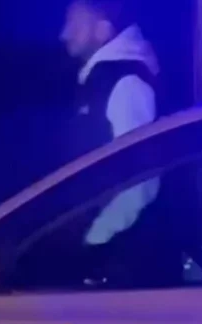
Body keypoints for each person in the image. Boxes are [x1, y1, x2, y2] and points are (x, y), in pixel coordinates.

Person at [60, 0, 161, 247]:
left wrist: (95, 239)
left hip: (121, 255)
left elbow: (141, 182)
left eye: (75, 24)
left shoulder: (126, 84)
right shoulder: (100, 81)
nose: (64, 34)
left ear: (103, 30)